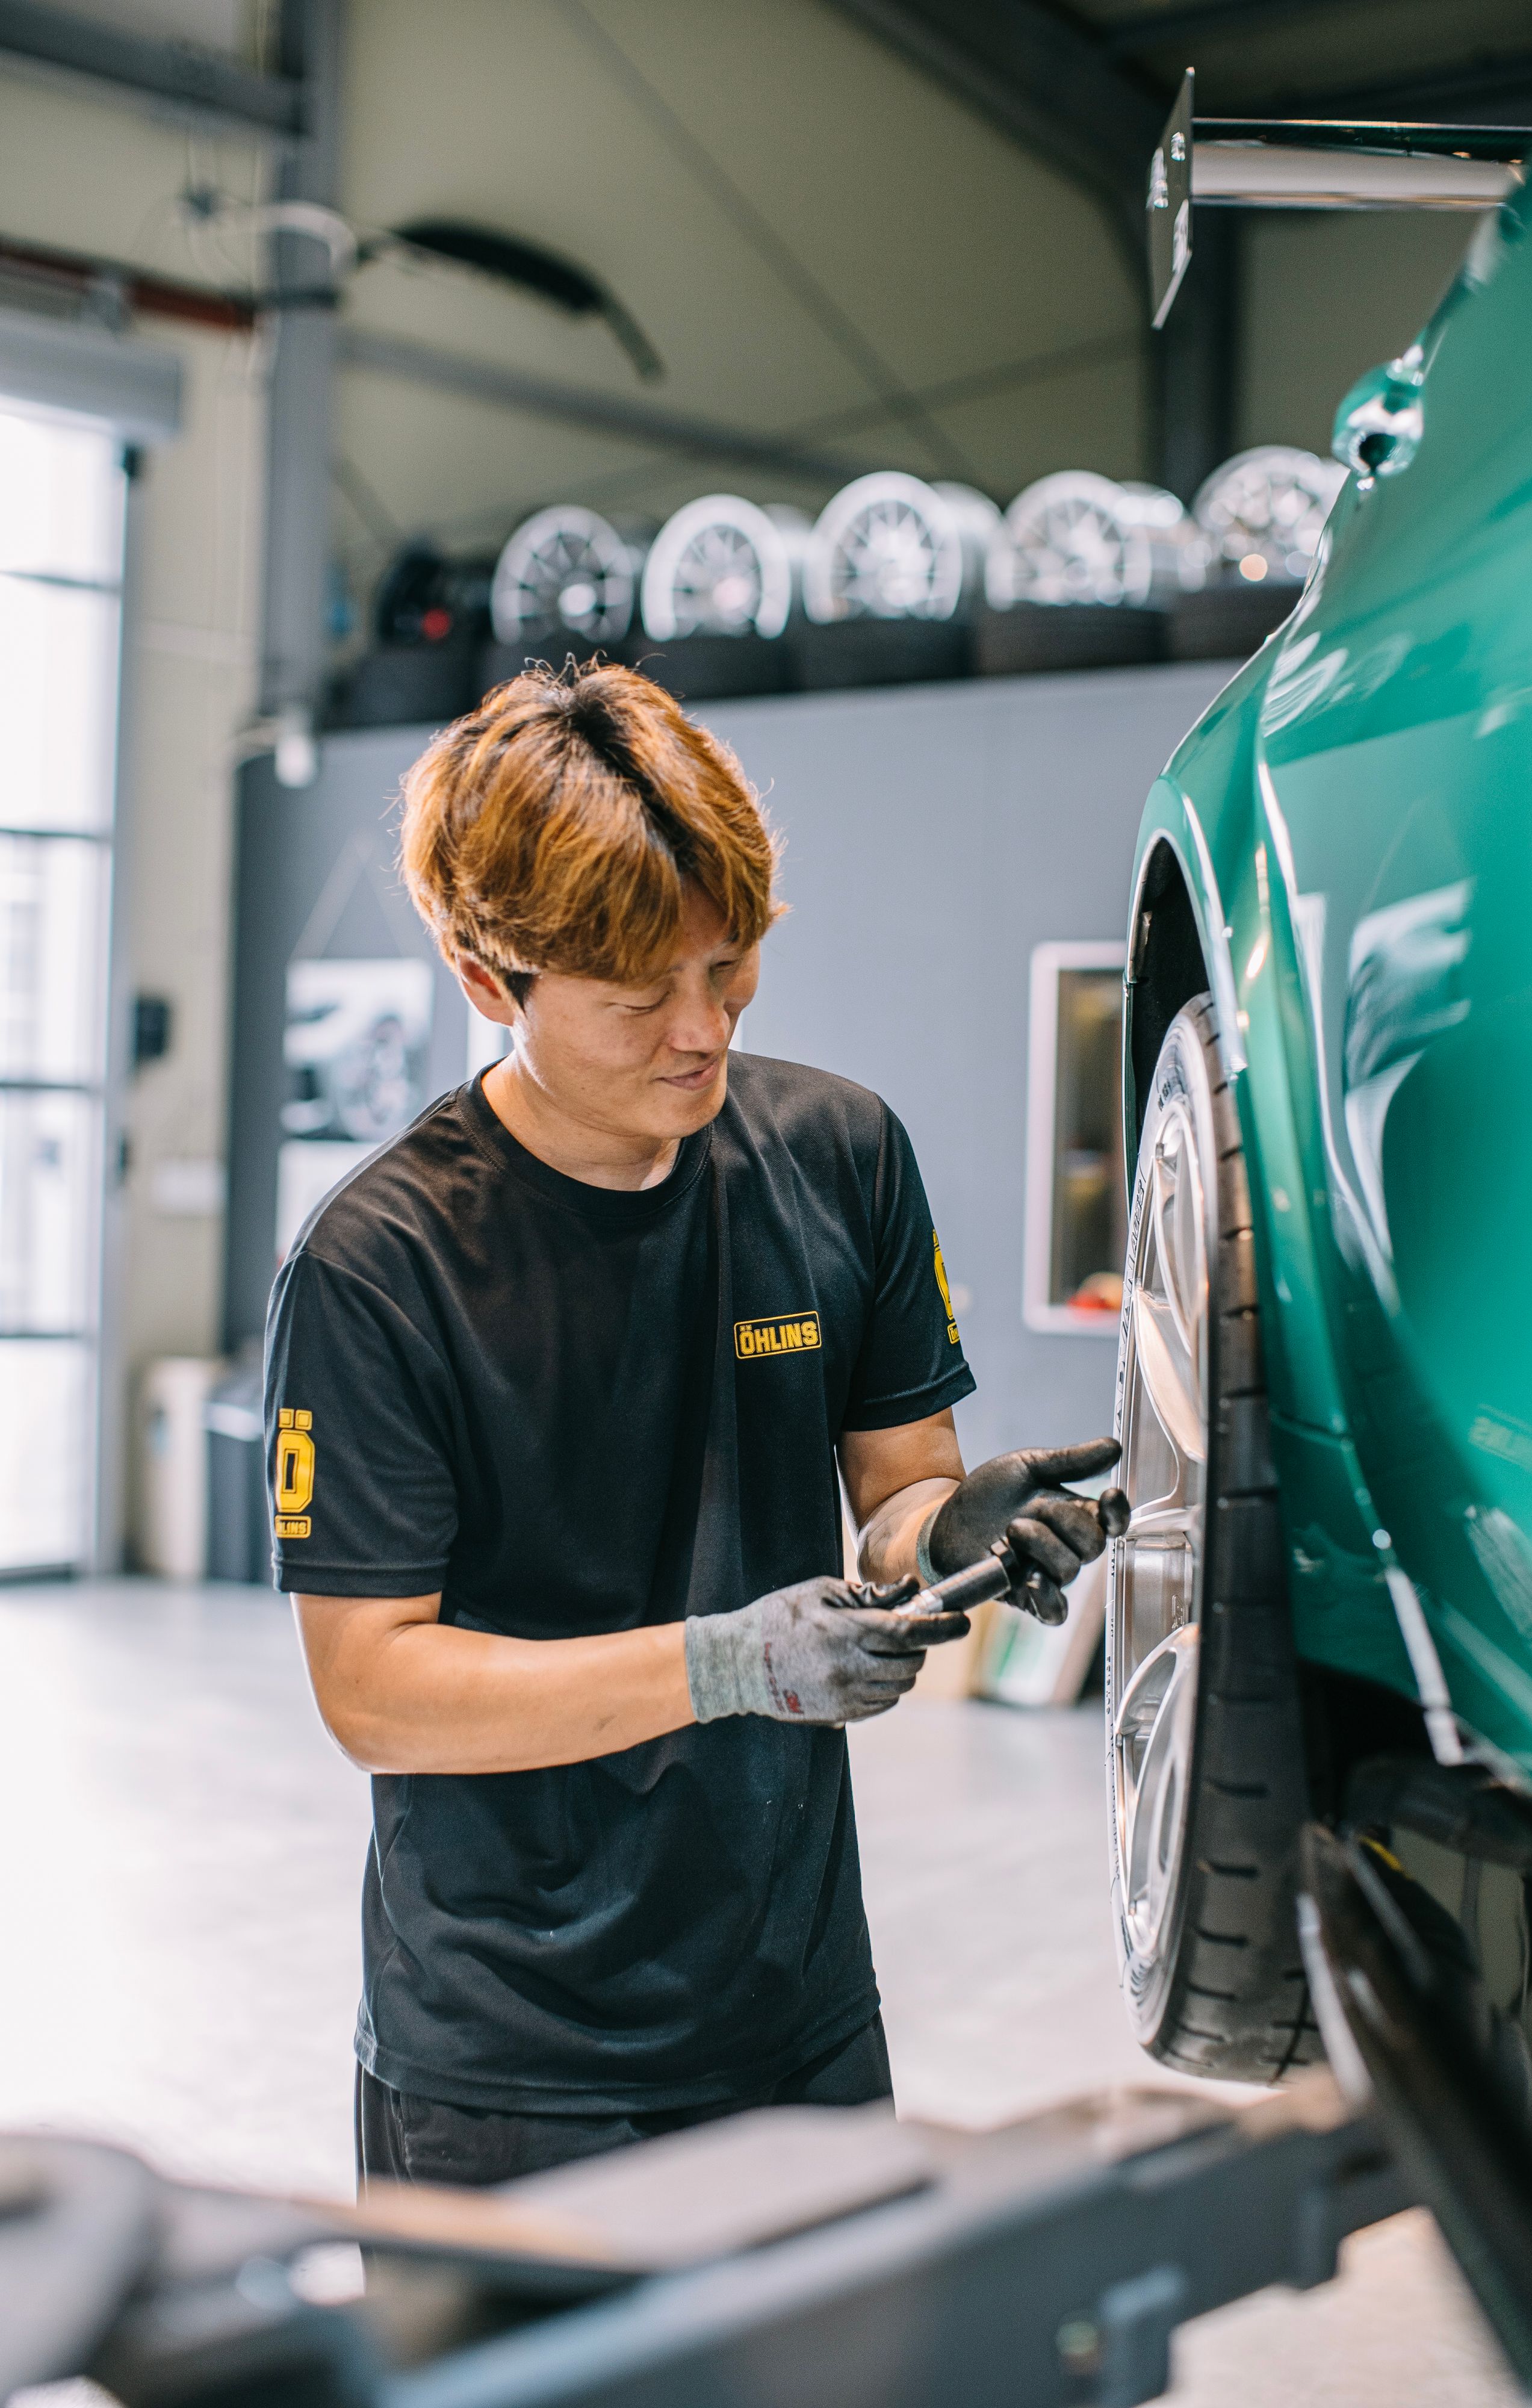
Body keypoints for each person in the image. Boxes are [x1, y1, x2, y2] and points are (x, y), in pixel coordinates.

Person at [265, 660, 1119, 2189]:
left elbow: (893, 1498)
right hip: (512, 2054)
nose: (699, 1028)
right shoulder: (380, 1264)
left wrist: (950, 1529)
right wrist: (726, 1662)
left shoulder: (840, 1154)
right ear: (488, 977)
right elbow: (373, 1690)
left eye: (727, 967)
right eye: (635, 994)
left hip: (794, 2009)